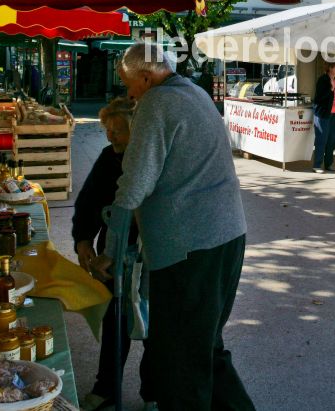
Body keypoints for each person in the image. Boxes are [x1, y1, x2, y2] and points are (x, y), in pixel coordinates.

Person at [92, 42, 254, 411]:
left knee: (183, 358)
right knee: (205, 346)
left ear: (146, 78)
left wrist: (111, 249)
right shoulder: (193, 91)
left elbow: (135, 183)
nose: (128, 94)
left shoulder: (156, 103)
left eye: (129, 84)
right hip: (226, 236)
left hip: (189, 246)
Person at [72, 97, 154, 411]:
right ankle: (106, 387)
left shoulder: (150, 158)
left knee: (153, 328)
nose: (112, 136)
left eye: (119, 130)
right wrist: (82, 240)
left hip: (152, 256)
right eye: (109, 130)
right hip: (114, 254)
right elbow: (88, 202)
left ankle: (153, 393)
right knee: (115, 323)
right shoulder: (109, 158)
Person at [312, 62, 335, 174]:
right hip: (323, 113)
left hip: (334, 114)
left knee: (331, 139)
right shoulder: (323, 79)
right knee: (322, 139)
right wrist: (329, 89)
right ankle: (317, 165)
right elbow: (319, 97)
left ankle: (328, 164)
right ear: (330, 68)